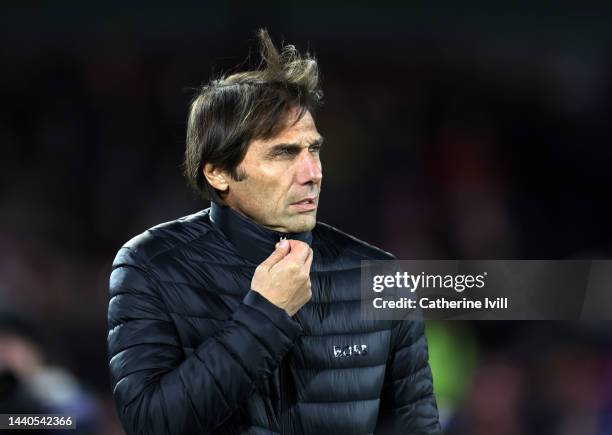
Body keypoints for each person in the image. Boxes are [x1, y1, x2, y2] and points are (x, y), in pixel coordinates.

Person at [107, 29, 440, 435]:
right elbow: (150, 424)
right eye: (284, 153)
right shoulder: (150, 266)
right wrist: (266, 315)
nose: (312, 173)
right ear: (218, 172)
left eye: (314, 149)